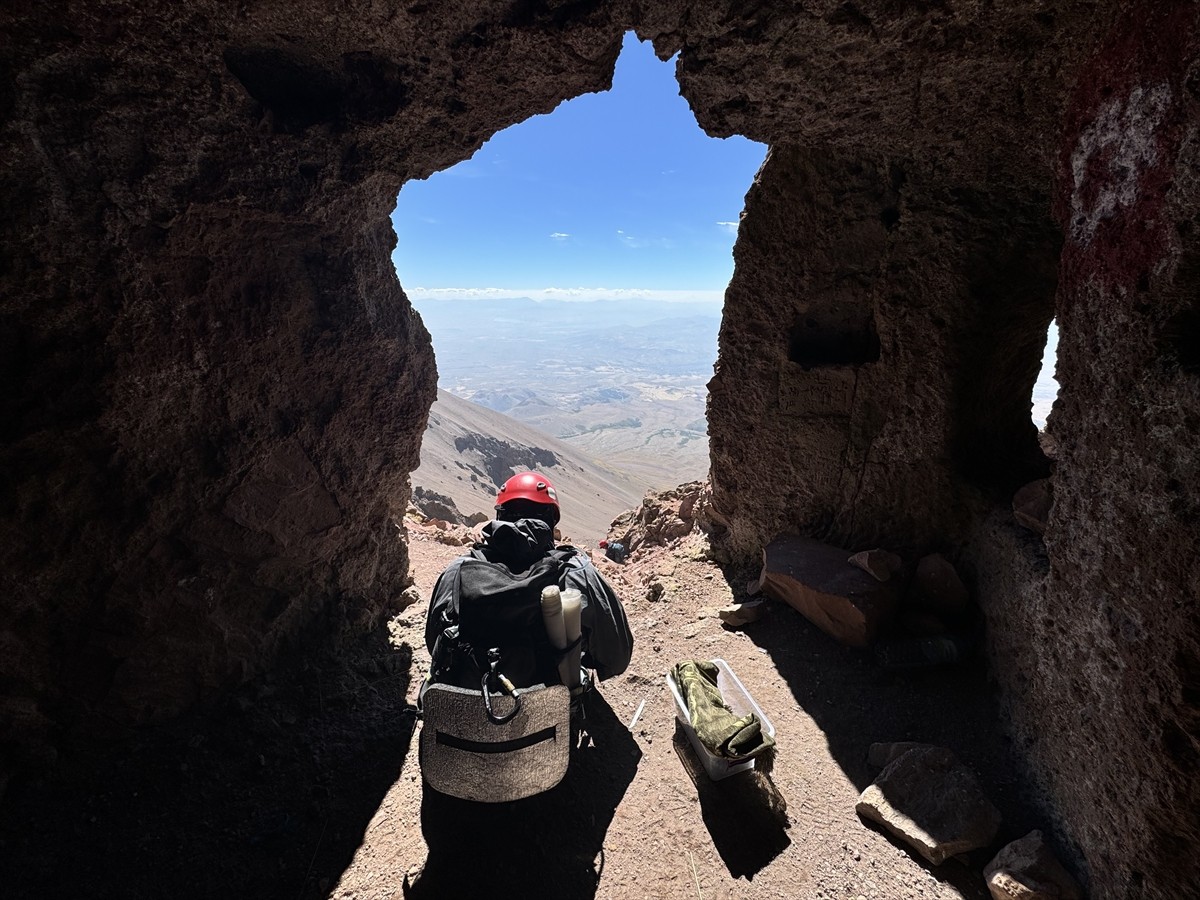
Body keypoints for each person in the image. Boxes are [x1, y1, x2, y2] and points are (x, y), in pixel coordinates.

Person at [424, 471, 633, 689]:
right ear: (552, 520)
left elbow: (434, 643)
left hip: (468, 700)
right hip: (549, 708)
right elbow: (617, 657)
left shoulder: (459, 570)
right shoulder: (576, 572)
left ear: (500, 516)